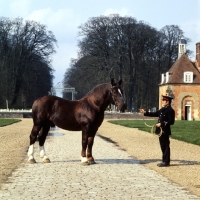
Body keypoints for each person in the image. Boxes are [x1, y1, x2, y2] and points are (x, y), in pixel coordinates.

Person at [139, 94, 175, 167]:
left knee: (165, 146)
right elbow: (155, 113)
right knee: (162, 146)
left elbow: (171, 121)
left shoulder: (170, 110)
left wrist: (161, 124)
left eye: (164, 100)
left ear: (167, 102)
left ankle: (166, 162)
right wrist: (145, 112)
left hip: (165, 131)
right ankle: (164, 160)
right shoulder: (163, 109)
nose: (162, 102)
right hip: (160, 131)